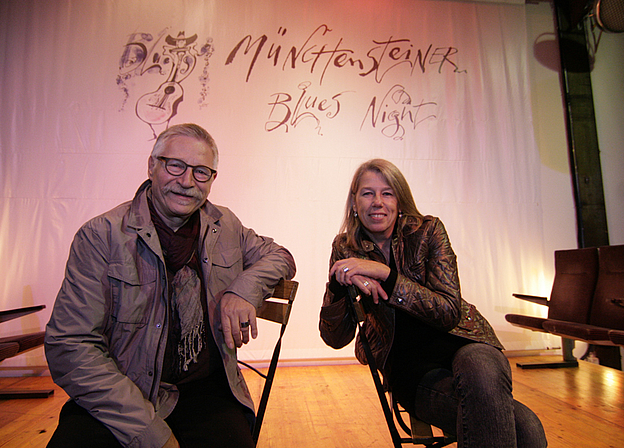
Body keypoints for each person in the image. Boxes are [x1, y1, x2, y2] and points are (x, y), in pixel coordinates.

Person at [45, 123, 296, 448]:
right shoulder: (101, 236)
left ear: (212, 179)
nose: (187, 181)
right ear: (152, 165)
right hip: (121, 392)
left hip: (205, 393)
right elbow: (70, 344)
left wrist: (242, 289)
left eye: (201, 172)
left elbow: (281, 257)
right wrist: (148, 432)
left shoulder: (225, 226)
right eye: (175, 165)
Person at [319, 159, 546, 447]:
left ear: (400, 200)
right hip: (411, 368)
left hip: (466, 340)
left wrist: (387, 276)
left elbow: (449, 311)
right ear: (354, 202)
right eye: (367, 193)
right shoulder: (344, 249)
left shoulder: (429, 230)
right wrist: (338, 287)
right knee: (526, 430)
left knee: (480, 368)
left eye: (387, 193)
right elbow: (335, 338)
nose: (377, 202)